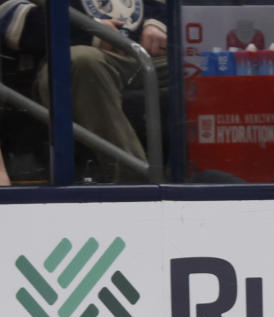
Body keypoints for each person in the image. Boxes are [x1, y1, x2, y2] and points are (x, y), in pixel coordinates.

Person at [2, 0, 168, 183]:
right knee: (82, 61)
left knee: (198, 64)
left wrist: (157, 23)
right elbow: (12, 19)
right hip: (74, 57)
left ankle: (197, 177)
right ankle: (136, 184)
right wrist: (90, 31)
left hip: (147, 56)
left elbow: (172, 6)